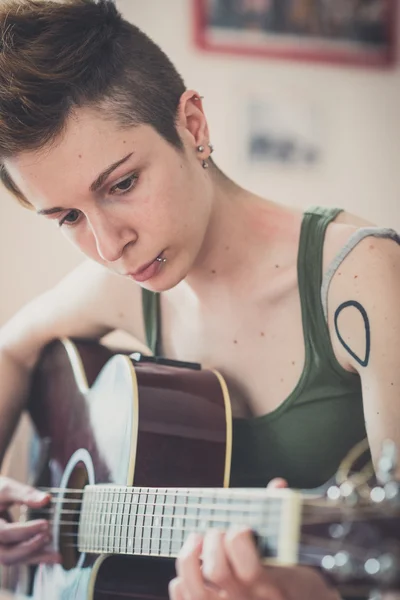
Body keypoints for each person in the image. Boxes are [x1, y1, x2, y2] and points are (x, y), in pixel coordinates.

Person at [0, 1, 399, 598]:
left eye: (123, 184)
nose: (109, 246)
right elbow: (12, 348)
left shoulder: (360, 278)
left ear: (192, 127)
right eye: (68, 218)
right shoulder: (123, 285)